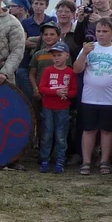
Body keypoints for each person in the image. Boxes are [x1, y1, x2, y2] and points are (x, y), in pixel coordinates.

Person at [73, 18, 112, 175]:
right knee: (89, 129)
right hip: (89, 97)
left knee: (107, 130)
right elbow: (77, 69)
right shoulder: (89, 48)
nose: (101, 34)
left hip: (111, 97)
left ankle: (105, 160)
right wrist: (84, 53)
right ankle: (86, 161)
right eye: (98, 31)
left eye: (105, 31)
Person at [37, 43, 77, 173]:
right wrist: (57, 92)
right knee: (47, 134)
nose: (56, 58)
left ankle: (60, 160)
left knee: (61, 136)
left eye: (59, 55)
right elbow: (41, 88)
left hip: (63, 108)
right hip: (48, 107)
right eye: (54, 55)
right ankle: (44, 160)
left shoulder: (70, 72)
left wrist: (67, 94)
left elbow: (74, 91)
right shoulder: (48, 70)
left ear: (67, 55)